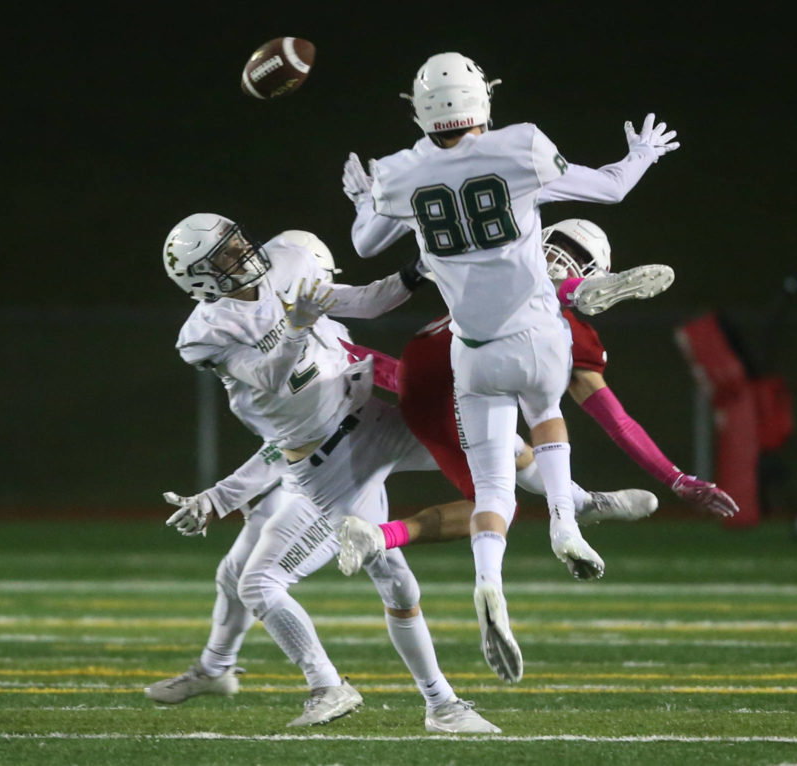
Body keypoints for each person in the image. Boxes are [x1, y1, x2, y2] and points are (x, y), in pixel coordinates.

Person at [343, 51, 681, 683]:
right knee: (548, 413)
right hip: (535, 335)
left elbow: (365, 244)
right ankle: (564, 521)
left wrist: (366, 198)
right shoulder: (520, 145)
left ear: (417, 110)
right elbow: (610, 188)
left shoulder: (398, 172)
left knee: (493, 487)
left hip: (470, 351)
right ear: (483, 101)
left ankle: (488, 582)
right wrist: (640, 155)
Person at [146, 216, 498, 733]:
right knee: (280, 578)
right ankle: (429, 702)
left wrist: (418, 267)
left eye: (238, 240)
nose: (242, 252)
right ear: (200, 278)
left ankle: (573, 504)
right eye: (224, 254)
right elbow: (273, 388)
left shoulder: (290, 270)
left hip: (361, 430)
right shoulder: (206, 333)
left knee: (498, 454)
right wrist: (219, 497)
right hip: (320, 462)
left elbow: (366, 301)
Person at [336, 219, 739, 572]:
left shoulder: (499, 279)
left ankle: (582, 501)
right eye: (562, 245)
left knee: (516, 452)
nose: (562, 256)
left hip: (429, 391)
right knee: (496, 506)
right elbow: (616, 421)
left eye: (574, 253)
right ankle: (379, 536)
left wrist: (359, 358)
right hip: (444, 396)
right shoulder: (524, 294)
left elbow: (616, 419)